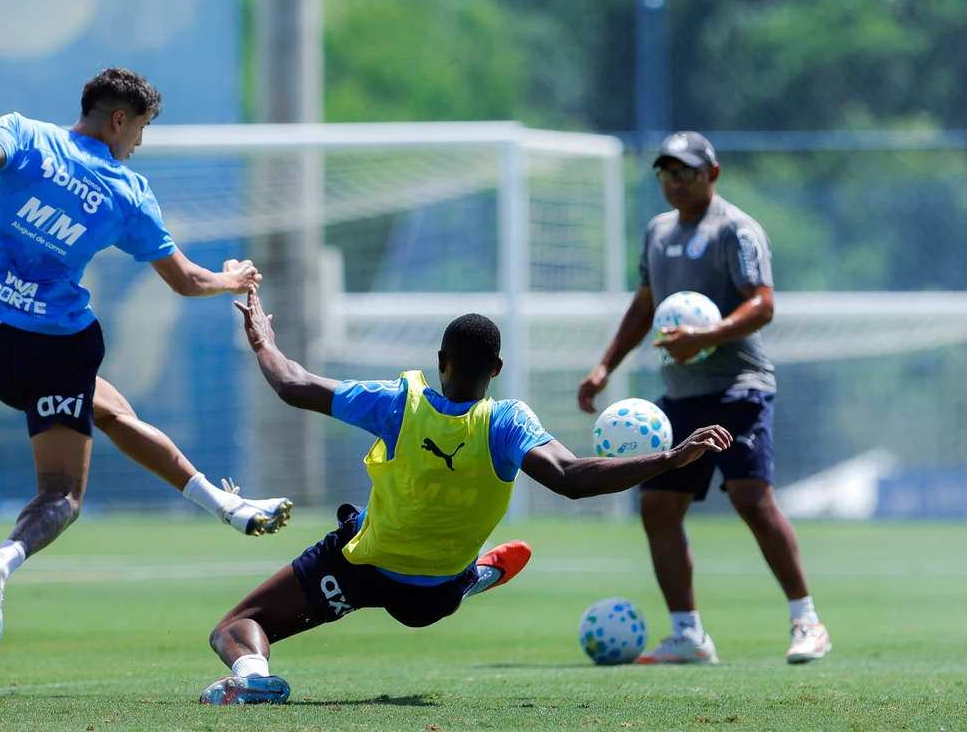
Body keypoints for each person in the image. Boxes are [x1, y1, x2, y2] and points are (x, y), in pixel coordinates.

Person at [0, 67, 293, 658]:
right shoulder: (126, 190)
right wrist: (232, 279)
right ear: (118, 120)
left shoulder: (22, 133)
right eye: (142, 129)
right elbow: (186, 281)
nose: (139, 144)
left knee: (114, 412)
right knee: (62, 496)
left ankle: (228, 506)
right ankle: (3, 562)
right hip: (57, 346)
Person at [196, 286, 732, 704]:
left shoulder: (398, 404)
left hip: (361, 567)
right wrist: (667, 458)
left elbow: (291, 383)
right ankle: (471, 576)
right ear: (496, 370)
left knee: (235, 628)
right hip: (431, 597)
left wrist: (263, 338)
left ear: (441, 361)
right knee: (442, 580)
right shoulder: (507, 422)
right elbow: (572, 478)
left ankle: (252, 679)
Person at [577, 131, 832, 665]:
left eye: (686, 172)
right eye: (666, 173)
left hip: (739, 388)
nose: (674, 182)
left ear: (712, 174)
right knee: (657, 507)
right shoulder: (657, 231)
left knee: (750, 498)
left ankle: (807, 621)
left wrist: (703, 339)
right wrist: (604, 367)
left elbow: (762, 305)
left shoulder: (735, 230)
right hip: (681, 394)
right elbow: (645, 305)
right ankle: (688, 635)